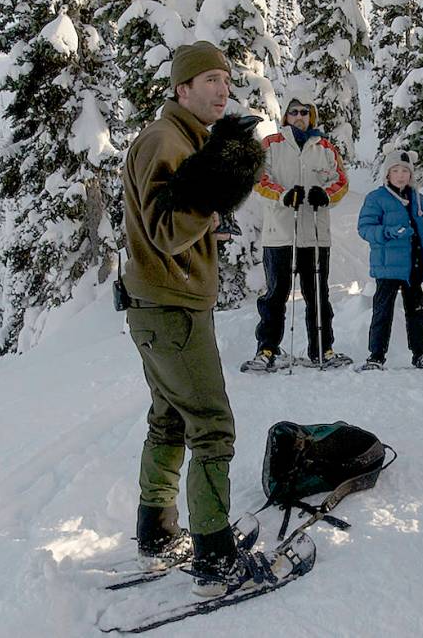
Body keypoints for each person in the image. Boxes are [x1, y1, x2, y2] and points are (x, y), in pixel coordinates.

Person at [121, 41, 265, 594]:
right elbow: (166, 229)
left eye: (226, 80)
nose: (222, 89)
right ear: (182, 89)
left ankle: (156, 534)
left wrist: (210, 204)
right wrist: (214, 185)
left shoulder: (184, 139)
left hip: (161, 305)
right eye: (208, 80)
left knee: (170, 419)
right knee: (211, 425)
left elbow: (178, 222)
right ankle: (214, 555)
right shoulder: (166, 139)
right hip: (172, 308)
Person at [243, 89, 351, 371]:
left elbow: (340, 182)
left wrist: (325, 195)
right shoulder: (271, 144)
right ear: (286, 116)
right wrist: (282, 194)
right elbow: (259, 180)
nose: (299, 117)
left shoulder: (326, 148)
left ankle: (322, 349)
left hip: (314, 234)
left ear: (311, 116)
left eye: (305, 112)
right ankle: (267, 349)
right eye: (294, 112)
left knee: (318, 295)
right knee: (276, 295)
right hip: (280, 232)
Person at [356, 150, 423, 370]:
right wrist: (390, 232)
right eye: (395, 171)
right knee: (382, 312)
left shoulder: (418, 199)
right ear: (387, 174)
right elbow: (365, 228)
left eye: (405, 171)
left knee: (416, 311)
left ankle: (420, 352)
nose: (401, 175)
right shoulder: (376, 198)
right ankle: (376, 355)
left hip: (413, 265)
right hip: (387, 267)